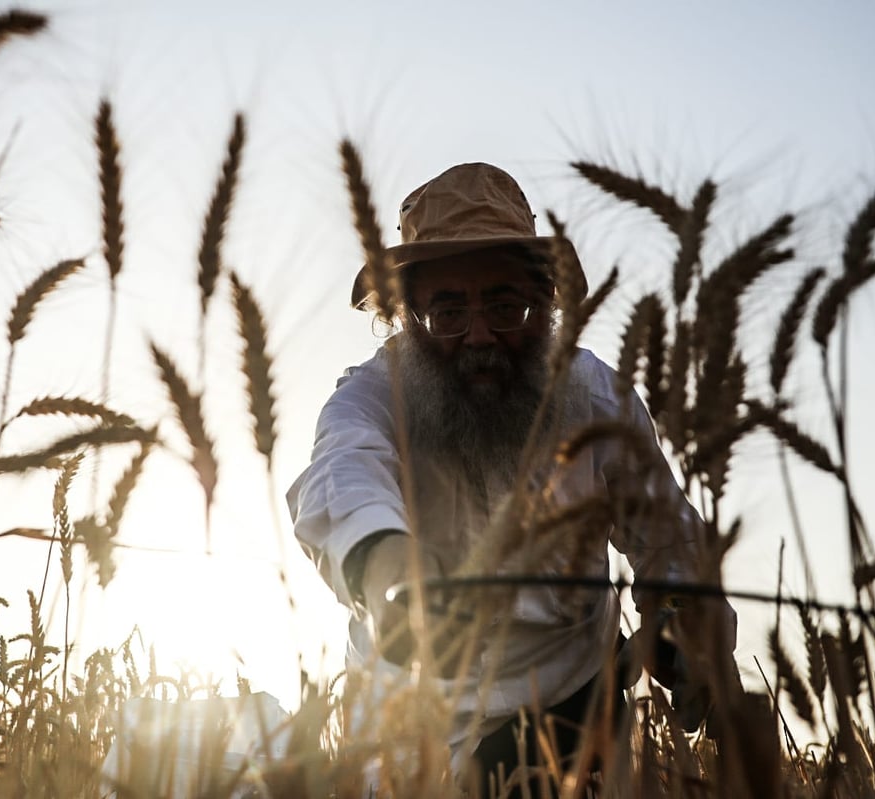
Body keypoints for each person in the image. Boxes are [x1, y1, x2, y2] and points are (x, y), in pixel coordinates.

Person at [287, 162, 737, 797]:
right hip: (412, 728)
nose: (479, 336)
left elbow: (667, 538)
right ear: (410, 316)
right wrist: (394, 571)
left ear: (545, 304)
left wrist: (689, 632)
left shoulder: (596, 398)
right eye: (447, 310)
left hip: (575, 715)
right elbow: (340, 475)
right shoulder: (369, 399)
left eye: (504, 304)